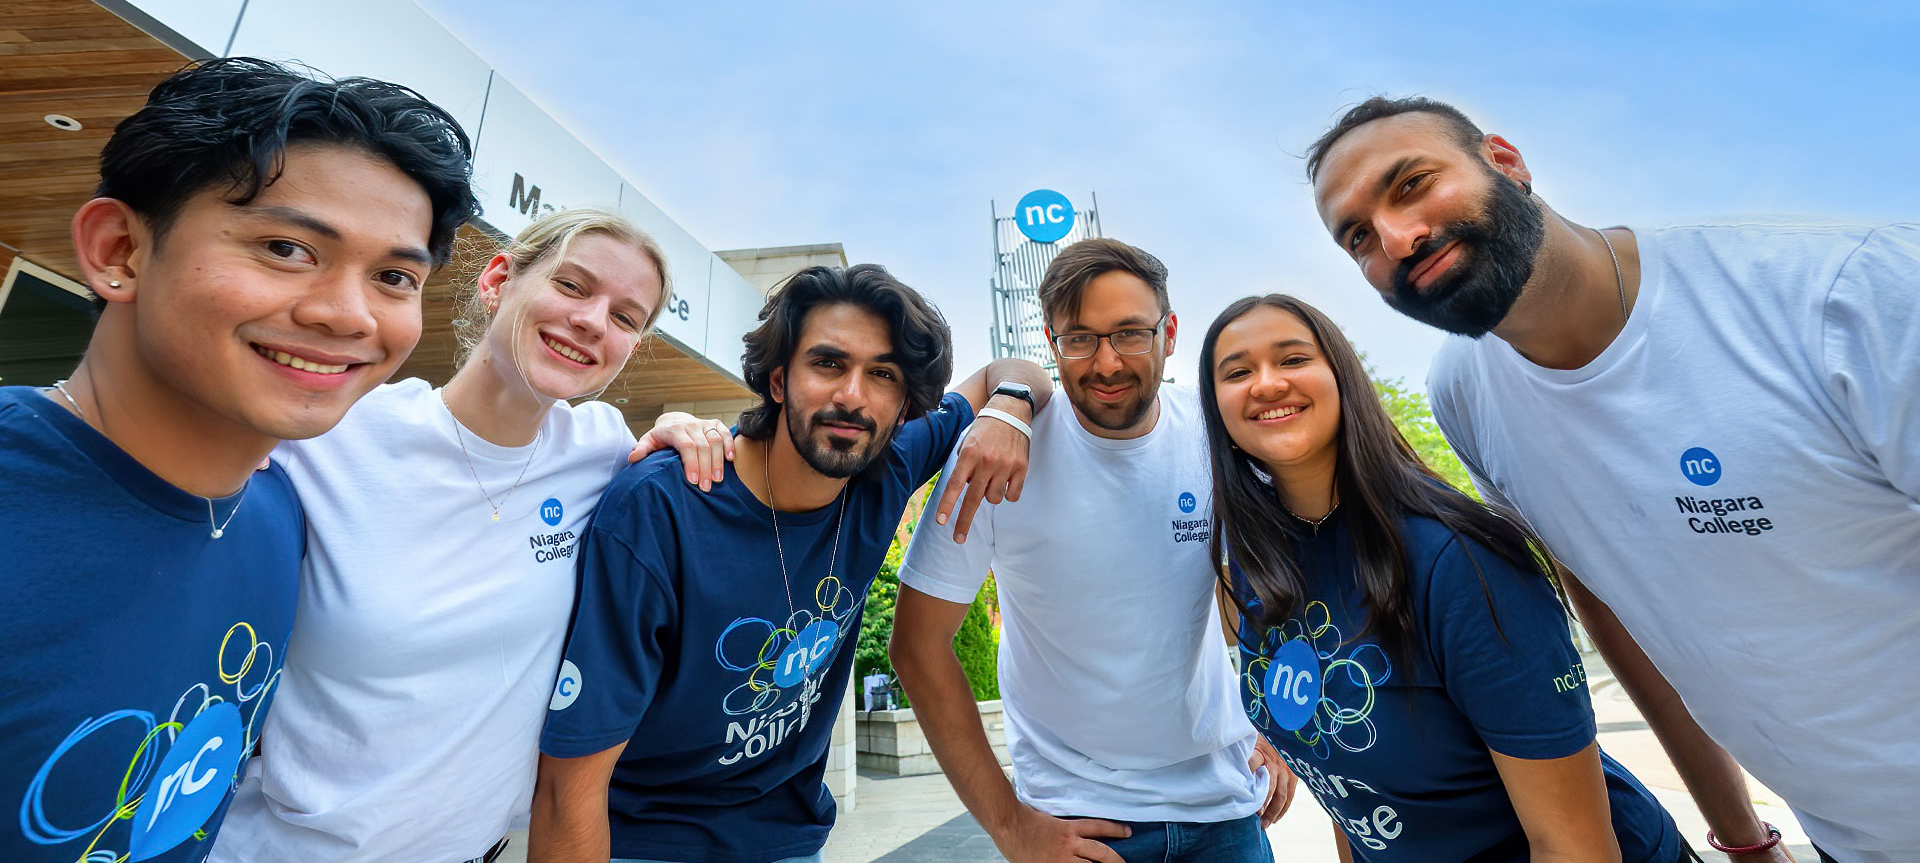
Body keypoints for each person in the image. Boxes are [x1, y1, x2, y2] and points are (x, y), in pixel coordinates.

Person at [1305, 95, 1919, 863]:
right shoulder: (1466, 391)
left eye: (1412, 184)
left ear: (1505, 161)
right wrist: (1743, 837)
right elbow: (1609, 601)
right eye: (1357, 236)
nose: (1398, 238)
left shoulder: (1850, 292)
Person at [0, 57, 478, 863]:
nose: (347, 314)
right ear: (119, 250)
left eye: (395, 276)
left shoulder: (276, 515)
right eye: (287, 248)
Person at [210, 208, 729, 863]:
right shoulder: (329, 436)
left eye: (626, 317)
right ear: (497, 281)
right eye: (571, 285)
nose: (594, 321)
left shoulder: (603, 453)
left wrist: (690, 426)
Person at [530, 264, 1051, 863]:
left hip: (789, 838)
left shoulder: (887, 470)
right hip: (646, 837)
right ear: (779, 381)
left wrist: (1009, 410)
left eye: (881, 374)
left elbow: (1014, 373)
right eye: (828, 363)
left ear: (905, 405)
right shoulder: (662, 509)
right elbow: (568, 789)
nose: (852, 395)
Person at [1200, 293, 1685, 862]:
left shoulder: (1460, 561)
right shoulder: (1262, 569)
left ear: (1343, 379)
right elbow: (1350, 796)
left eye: (1293, 359)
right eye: (1237, 371)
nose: (1266, 383)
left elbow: (1575, 846)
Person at [891, 238, 1293, 863]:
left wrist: (1273, 723)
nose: (1106, 363)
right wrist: (1009, 826)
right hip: (1076, 825)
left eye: (1130, 333)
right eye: (1080, 338)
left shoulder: (1219, 440)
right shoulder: (994, 456)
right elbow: (916, 645)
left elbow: (1274, 593)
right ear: (1052, 343)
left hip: (1225, 810)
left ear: (1171, 332)